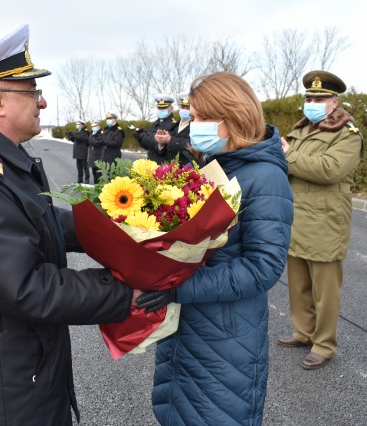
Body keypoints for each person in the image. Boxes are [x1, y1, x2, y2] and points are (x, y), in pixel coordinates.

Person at [0, 23, 140, 425]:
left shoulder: (0, 159)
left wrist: (121, 227)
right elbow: (27, 288)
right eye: (33, 92)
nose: (43, 102)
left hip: (22, 358)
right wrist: (128, 292)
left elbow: (42, 219)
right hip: (3, 378)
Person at [136, 72, 294, 425]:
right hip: (186, 322)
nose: (193, 126)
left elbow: (262, 267)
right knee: (177, 410)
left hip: (226, 334)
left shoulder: (265, 177)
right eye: (192, 117)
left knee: (215, 413)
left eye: (203, 118)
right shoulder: (209, 166)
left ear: (233, 116)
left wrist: (180, 287)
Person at [277, 70, 363, 370]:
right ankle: (303, 332)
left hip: (326, 219)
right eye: (309, 98)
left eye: (319, 99)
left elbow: (330, 169)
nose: (312, 103)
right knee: (298, 282)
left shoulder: (346, 134)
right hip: (296, 215)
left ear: (334, 102)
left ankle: (324, 344)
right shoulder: (300, 131)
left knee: (325, 290)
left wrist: (287, 155)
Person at [132, 94, 178, 163]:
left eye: (164, 108)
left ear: (171, 108)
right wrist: (140, 137)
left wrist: (143, 137)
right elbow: (148, 146)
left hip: (163, 164)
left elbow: (157, 144)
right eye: (159, 108)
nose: (161, 110)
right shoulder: (155, 123)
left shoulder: (174, 125)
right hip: (151, 162)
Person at [87, 119, 103, 183]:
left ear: (98, 126)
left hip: (98, 156)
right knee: (94, 173)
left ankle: (99, 187)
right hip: (92, 156)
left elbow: (98, 143)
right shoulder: (92, 133)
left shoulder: (101, 133)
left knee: (98, 174)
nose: (93, 127)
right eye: (93, 126)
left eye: (95, 126)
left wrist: (91, 141)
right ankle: (95, 186)